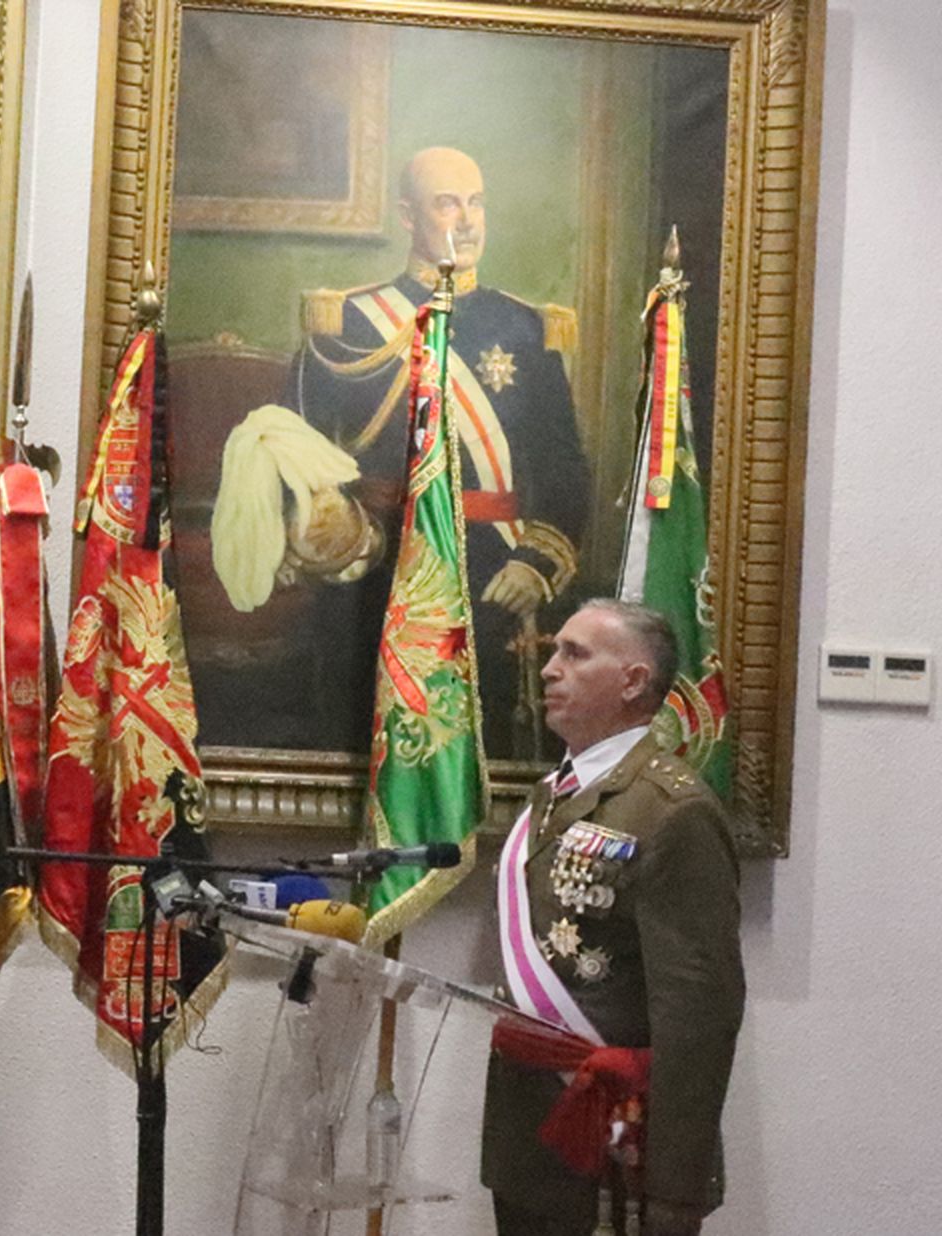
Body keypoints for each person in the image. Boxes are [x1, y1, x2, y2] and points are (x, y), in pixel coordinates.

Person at [210, 146, 589, 755]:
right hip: (377, 571)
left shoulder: (525, 329)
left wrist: (534, 563)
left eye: (476, 202)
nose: (466, 220)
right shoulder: (349, 322)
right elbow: (294, 445)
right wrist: (325, 534)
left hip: (494, 574)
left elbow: (565, 466)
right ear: (409, 217)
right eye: (447, 203)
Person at [484, 599, 744, 1235]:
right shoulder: (553, 796)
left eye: (575, 653)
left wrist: (673, 1191)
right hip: (531, 1136)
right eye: (554, 652)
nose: (549, 669)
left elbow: (700, 1015)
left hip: (616, 1146)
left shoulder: (670, 811)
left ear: (633, 681)